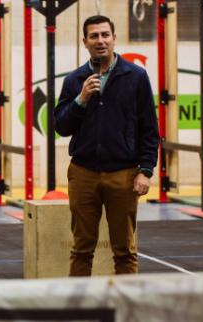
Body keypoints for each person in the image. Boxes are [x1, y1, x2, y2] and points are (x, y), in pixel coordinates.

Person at [54, 15, 159, 276]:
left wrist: (146, 169)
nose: (100, 41)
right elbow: (61, 127)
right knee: (81, 248)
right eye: (94, 36)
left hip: (123, 174)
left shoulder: (135, 77)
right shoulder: (74, 80)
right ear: (85, 42)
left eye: (105, 35)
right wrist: (81, 99)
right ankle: (79, 309)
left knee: (124, 250)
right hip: (83, 173)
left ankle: (126, 310)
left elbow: (149, 128)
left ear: (114, 38)